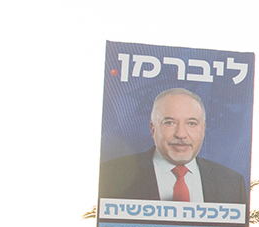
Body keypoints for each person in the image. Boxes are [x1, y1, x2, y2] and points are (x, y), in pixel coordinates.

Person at [97, 87, 247, 203]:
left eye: (191, 123)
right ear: (153, 129)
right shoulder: (114, 175)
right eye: (169, 123)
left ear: (203, 130)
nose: (181, 134)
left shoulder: (232, 183)